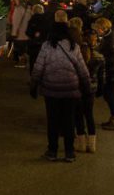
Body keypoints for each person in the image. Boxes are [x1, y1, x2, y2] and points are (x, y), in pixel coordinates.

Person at [30, 21, 91, 163]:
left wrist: (34, 85)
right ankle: (69, 152)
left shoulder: (46, 46)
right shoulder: (73, 46)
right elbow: (82, 69)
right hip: (70, 89)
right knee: (69, 121)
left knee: (53, 121)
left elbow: (38, 67)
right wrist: (86, 87)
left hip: (51, 89)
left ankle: (52, 151)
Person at [93, 17, 114, 131]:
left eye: (98, 28)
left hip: (111, 71)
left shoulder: (112, 39)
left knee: (109, 95)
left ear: (103, 28)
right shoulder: (108, 37)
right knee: (108, 94)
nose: (97, 31)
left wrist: (100, 56)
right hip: (109, 70)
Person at [75, 29, 105, 153]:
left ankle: (81, 143)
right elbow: (102, 77)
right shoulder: (99, 57)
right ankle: (92, 144)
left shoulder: (77, 56)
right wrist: (99, 90)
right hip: (91, 90)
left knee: (78, 116)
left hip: (78, 89)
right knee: (89, 115)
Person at [26, 3, 47, 74]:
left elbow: (27, 32)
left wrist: (33, 35)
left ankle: (33, 76)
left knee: (33, 61)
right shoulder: (45, 20)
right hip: (43, 44)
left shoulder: (32, 20)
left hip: (33, 44)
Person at [11, 0, 31, 68]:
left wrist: (14, 32)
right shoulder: (28, 9)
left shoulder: (18, 9)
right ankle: (25, 62)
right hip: (26, 33)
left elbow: (15, 22)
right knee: (24, 48)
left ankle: (22, 63)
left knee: (20, 49)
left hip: (19, 33)